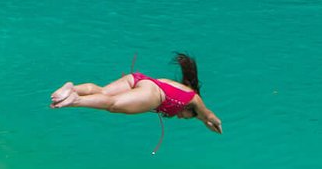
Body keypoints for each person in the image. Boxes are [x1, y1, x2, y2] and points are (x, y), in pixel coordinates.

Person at [50, 52, 223, 142]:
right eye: (185, 117)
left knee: (102, 91)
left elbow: (204, 120)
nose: (180, 116)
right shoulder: (194, 99)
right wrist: (217, 125)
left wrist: (206, 123)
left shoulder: (181, 89)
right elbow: (209, 116)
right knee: (113, 105)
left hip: (141, 79)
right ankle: (76, 100)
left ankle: (72, 88)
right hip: (154, 94)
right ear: (190, 110)